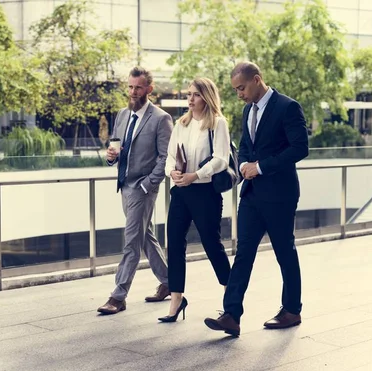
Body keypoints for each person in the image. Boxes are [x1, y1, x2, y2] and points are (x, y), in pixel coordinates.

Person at [204, 62, 309, 336]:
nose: (239, 94)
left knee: (284, 252)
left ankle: (291, 310)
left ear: (257, 80)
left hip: (279, 195)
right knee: (243, 253)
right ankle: (231, 315)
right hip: (251, 195)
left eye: (241, 88)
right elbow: (247, 146)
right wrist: (244, 164)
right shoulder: (247, 109)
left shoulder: (288, 107)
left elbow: (300, 148)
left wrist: (260, 166)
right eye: (236, 89)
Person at [97, 66, 172, 314]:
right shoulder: (121, 115)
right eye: (130, 86)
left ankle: (118, 296)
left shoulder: (161, 119)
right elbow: (116, 147)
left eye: (138, 87)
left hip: (142, 188)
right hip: (124, 186)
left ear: (149, 89)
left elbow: (165, 158)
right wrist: (110, 156)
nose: (133, 91)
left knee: (131, 242)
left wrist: (148, 184)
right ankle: (169, 282)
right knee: (145, 236)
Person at [158, 78, 232, 323]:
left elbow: (221, 159)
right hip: (181, 192)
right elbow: (170, 156)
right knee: (175, 244)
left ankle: (230, 296)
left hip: (205, 192)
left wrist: (196, 175)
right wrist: (173, 172)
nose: (190, 99)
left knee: (212, 244)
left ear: (207, 97)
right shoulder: (182, 123)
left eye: (196, 95)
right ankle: (177, 299)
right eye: (188, 94)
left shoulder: (217, 124)